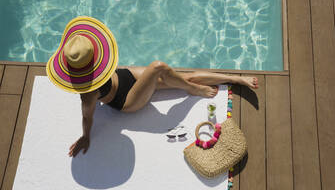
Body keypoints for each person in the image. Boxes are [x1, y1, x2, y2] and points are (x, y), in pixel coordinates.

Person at [46, 16, 259, 158]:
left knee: (182, 75)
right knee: (158, 67)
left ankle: (235, 79)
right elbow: (87, 116)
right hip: (127, 100)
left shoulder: (95, 62)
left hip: (124, 77)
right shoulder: (88, 93)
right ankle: (191, 89)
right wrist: (85, 136)